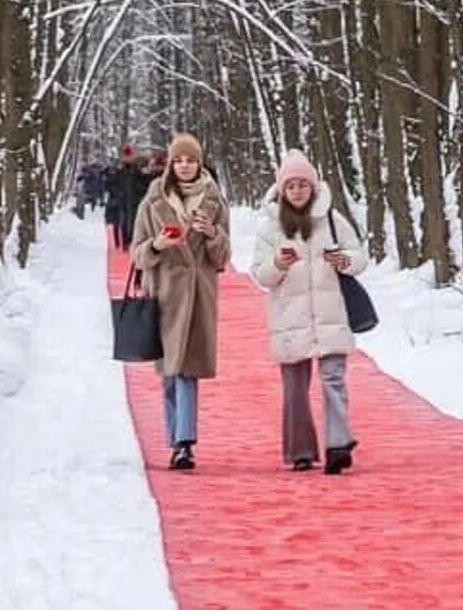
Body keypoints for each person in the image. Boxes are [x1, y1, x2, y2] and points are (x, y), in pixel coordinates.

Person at [250, 149, 367, 474]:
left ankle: (338, 444)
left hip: (329, 313)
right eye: (291, 186)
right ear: (282, 190)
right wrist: (277, 264)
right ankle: (300, 450)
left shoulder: (332, 220)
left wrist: (343, 260)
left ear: (313, 187)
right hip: (290, 318)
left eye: (303, 184)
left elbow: (359, 257)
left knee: (333, 379)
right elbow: (260, 274)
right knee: (295, 387)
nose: (298, 191)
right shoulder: (270, 228)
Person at [131, 133, 230, 471]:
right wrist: (157, 245)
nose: (185, 166)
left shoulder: (215, 200)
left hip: (199, 293)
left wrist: (213, 234)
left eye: (191, 160)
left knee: (188, 370)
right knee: (170, 372)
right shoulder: (153, 200)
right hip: (165, 294)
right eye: (179, 160)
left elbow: (223, 258)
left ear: (199, 163)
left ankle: (184, 443)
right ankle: (176, 439)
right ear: (171, 165)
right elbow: (138, 253)